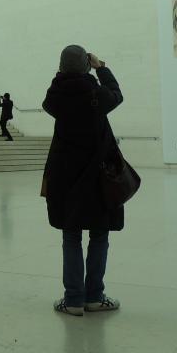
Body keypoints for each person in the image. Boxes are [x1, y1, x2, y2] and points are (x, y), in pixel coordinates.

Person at [42, 45, 124, 316]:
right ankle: (94, 297)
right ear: (86, 65)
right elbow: (116, 94)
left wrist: (65, 73)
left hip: (65, 177)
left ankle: (74, 300)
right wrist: (101, 68)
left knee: (71, 236)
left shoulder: (55, 96)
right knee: (99, 235)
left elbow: (52, 96)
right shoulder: (96, 94)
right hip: (98, 176)